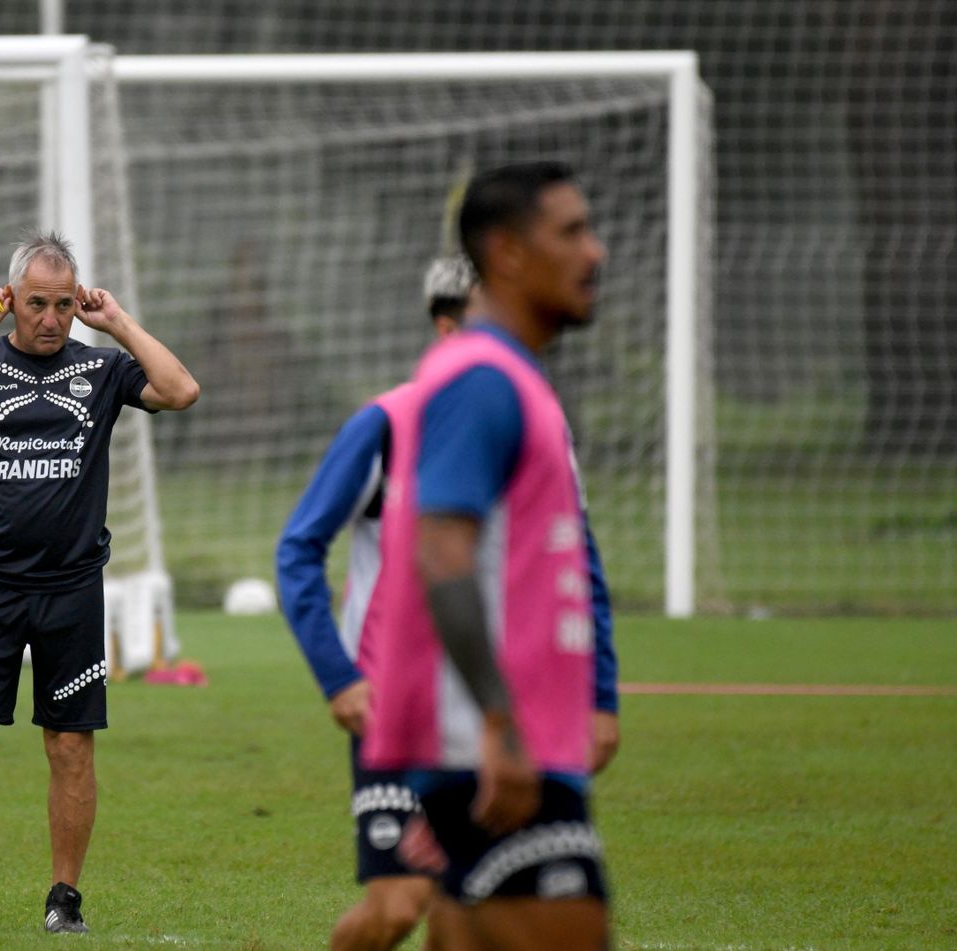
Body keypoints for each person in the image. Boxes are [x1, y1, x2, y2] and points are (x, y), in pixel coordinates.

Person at [0, 231, 199, 935]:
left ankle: (64, 900)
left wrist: (115, 321)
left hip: (71, 589)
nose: (52, 318)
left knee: (69, 744)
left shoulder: (102, 371)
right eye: (36, 303)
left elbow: (181, 389)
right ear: (11, 301)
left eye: (63, 304)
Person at [360, 161, 612, 949]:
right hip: (488, 752)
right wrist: (501, 725)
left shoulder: (511, 378)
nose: (594, 251)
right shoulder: (480, 380)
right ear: (505, 252)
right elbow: (443, 556)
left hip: (503, 743)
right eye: (569, 231)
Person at [275, 254, 472, 951]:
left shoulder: (536, 428)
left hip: (490, 710)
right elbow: (298, 550)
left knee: (467, 912)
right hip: (394, 705)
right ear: (446, 328)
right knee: (396, 909)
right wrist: (339, 677)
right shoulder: (386, 427)